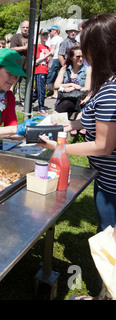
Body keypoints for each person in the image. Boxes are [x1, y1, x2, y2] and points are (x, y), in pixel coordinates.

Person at [40, 13, 116, 235]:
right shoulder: (110, 82)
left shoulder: (111, 89)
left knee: (109, 241)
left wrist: (59, 148)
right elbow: (101, 119)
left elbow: (103, 146)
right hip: (106, 178)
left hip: (112, 184)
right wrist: (70, 126)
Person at [54, 46, 92, 118]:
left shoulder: (87, 69)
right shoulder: (64, 69)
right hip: (65, 98)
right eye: (78, 57)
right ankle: (53, 120)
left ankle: (52, 119)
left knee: (67, 103)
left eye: (83, 56)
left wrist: (73, 89)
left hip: (80, 100)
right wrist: (71, 85)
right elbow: (56, 85)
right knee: (66, 103)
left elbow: (87, 89)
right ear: (71, 57)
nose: (81, 59)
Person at [32, 29, 53, 116]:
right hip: (39, 70)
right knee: (41, 90)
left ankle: (29, 101)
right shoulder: (38, 46)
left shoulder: (48, 47)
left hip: (45, 70)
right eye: (43, 35)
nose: (45, 37)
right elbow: (37, 60)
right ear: (40, 36)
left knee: (40, 90)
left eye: (46, 35)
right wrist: (48, 55)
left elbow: (49, 61)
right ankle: (41, 107)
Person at [10, 20, 29, 106]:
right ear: (21, 28)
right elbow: (12, 48)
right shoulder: (16, 37)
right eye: (24, 27)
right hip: (17, 63)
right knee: (13, 81)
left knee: (24, 83)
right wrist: (24, 48)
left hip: (26, 63)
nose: (25, 29)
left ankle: (22, 100)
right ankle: (9, 98)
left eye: (27, 27)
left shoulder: (30, 37)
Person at [46, 25, 63, 98]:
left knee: (50, 75)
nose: (49, 32)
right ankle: (55, 94)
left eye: (50, 31)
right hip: (60, 58)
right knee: (56, 76)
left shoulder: (54, 39)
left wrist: (48, 59)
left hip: (54, 58)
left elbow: (52, 50)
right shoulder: (61, 38)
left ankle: (44, 92)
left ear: (55, 31)